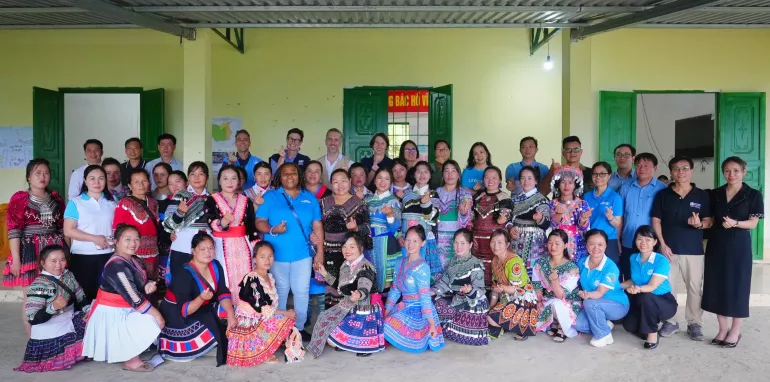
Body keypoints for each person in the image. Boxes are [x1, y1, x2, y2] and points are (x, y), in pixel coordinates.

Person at [256, 162, 324, 341]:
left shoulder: (309, 198)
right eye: (285, 173)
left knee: (302, 291)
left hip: (303, 254)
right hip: (276, 255)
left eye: (293, 173)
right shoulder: (270, 196)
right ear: (279, 177)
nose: (289, 176)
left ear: (299, 176)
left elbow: (317, 226)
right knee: (280, 291)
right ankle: (279, 329)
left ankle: (298, 329)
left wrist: (320, 253)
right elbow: (259, 222)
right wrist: (273, 229)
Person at [81, 224, 164, 372]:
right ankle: (131, 361)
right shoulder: (117, 266)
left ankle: (131, 356)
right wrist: (157, 315)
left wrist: (147, 285)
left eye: (136, 239)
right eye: (128, 239)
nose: (133, 243)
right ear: (117, 242)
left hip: (125, 307)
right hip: (113, 311)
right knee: (151, 318)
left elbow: (138, 284)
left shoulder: (134, 260)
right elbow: (134, 297)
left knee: (149, 317)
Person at [702, 156, 764, 348]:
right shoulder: (715, 194)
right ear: (723, 172)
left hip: (739, 246)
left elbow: (753, 223)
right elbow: (710, 220)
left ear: (744, 172)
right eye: (727, 171)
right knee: (717, 286)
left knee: (738, 286)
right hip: (716, 244)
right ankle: (722, 329)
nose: (731, 174)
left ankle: (735, 331)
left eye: (736, 170)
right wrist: (699, 223)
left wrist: (736, 223)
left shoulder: (753, 194)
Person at [652, 156, 712, 340]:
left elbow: (709, 221)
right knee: (667, 287)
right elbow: (656, 220)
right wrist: (662, 244)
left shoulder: (701, 195)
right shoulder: (663, 195)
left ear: (691, 171)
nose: (681, 172)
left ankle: (694, 323)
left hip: (693, 251)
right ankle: (670, 321)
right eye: (676, 169)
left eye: (685, 168)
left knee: (694, 288)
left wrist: (699, 224)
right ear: (671, 172)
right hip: (668, 250)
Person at [158, 232, 236, 365]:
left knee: (232, 311)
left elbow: (222, 291)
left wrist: (231, 314)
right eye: (202, 249)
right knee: (215, 325)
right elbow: (184, 310)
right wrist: (201, 298)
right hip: (178, 313)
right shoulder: (185, 273)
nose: (207, 252)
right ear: (193, 251)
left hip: (202, 306)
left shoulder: (216, 265)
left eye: (210, 248)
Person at [308, 232, 385, 357]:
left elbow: (364, 286)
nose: (347, 250)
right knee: (325, 323)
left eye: (352, 247)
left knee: (336, 339)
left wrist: (359, 294)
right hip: (348, 308)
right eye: (344, 246)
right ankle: (345, 342)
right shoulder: (345, 265)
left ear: (361, 248)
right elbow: (341, 285)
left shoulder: (366, 267)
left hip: (363, 311)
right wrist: (324, 273)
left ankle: (362, 345)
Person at [14, 245, 88, 373]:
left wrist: (88, 311)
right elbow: (32, 318)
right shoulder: (38, 285)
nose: (58, 264)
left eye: (62, 260)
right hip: (49, 328)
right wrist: (53, 307)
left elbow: (80, 296)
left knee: (94, 319)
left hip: (68, 319)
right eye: (53, 261)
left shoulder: (68, 275)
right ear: (43, 263)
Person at [227, 242, 296, 366]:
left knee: (287, 318)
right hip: (249, 324)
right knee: (285, 318)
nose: (267, 260)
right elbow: (262, 308)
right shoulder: (252, 279)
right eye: (262, 256)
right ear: (255, 259)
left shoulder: (269, 277)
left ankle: (269, 346)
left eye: (270, 256)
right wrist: (286, 313)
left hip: (260, 319)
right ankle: (262, 350)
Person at [3, 159, 66, 292]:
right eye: (37, 173)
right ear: (28, 177)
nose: (42, 177)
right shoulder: (20, 199)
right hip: (30, 251)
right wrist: (16, 259)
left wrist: (67, 252)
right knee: (31, 295)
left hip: (54, 250)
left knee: (56, 292)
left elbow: (62, 228)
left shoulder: (57, 199)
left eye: (46, 173)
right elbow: (14, 231)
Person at [384, 226, 445, 353]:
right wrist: (386, 312)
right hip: (404, 306)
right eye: (408, 240)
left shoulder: (423, 267)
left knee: (387, 326)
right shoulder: (400, 262)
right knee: (381, 322)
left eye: (415, 241)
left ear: (423, 243)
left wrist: (432, 324)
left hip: (418, 311)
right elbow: (395, 290)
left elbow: (425, 297)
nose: (410, 244)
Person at [318, 169, 373, 308]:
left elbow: (367, 229)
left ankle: (351, 319)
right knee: (332, 285)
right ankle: (333, 318)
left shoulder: (359, 204)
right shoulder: (324, 203)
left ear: (349, 181)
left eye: (343, 181)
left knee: (351, 285)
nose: (340, 185)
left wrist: (356, 228)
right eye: (335, 182)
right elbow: (318, 226)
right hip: (329, 254)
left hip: (351, 254)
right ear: (330, 184)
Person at [63, 165, 116, 302]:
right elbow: (68, 230)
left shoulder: (112, 202)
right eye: (92, 178)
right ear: (85, 181)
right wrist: (94, 238)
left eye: (101, 178)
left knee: (106, 296)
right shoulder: (75, 203)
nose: (97, 182)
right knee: (84, 297)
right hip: (83, 256)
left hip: (108, 255)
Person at [205, 165, 257, 303]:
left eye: (234, 178)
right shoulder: (211, 199)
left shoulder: (246, 201)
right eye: (225, 178)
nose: (229, 182)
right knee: (223, 279)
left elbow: (251, 226)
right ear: (219, 181)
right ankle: (224, 313)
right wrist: (222, 222)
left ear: (239, 181)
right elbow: (210, 222)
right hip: (220, 247)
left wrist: (256, 249)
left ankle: (244, 312)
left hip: (242, 246)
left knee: (245, 278)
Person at [621, 225, 677, 350]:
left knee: (645, 297)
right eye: (639, 239)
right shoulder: (633, 258)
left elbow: (652, 286)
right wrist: (617, 286)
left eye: (648, 239)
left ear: (655, 242)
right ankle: (651, 324)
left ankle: (652, 334)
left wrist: (637, 289)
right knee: (629, 326)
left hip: (664, 301)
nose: (643, 243)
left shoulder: (661, 260)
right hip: (643, 300)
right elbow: (634, 280)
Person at [431, 228, 488, 345]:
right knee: (433, 302)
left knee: (468, 314)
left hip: (471, 301)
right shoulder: (452, 262)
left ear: (470, 245)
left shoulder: (476, 264)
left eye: (463, 243)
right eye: (456, 243)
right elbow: (444, 283)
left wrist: (470, 291)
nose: (459, 247)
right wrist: (431, 291)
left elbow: (480, 290)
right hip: (455, 299)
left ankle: (450, 325)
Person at [574, 229, 629, 347]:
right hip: (594, 304)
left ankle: (603, 335)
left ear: (606, 246)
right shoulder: (582, 262)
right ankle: (605, 325)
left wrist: (587, 295)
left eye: (600, 244)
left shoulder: (611, 267)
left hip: (617, 305)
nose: (596, 248)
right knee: (577, 324)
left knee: (590, 303)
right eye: (591, 244)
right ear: (586, 245)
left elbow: (599, 293)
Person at [618, 153, 667, 280]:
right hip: (628, 241)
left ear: (655, 168)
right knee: (629, 278)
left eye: (646, 165)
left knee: (648, 279)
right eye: (639, 165)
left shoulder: (663, 190)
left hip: (651, 243)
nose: (642, 168)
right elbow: (620, 217)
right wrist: (618, 239)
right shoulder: (625, 188)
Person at [163, 162, 212, 285]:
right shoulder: (181, 195)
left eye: (201, 174)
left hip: (206, 245)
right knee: (181, 281)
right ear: (188, 178)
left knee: (203, 281)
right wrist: (179, 212)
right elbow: (168, 224)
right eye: (193, 174)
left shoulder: (212, 198)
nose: (196, 177)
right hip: (183, 245)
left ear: (207, 177)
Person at [487, 229, 538, 341]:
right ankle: (507, 324)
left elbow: (516, 290)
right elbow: (495, 290)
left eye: (500, 242)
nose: (495, 246)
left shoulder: (514, 262)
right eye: (493, 242)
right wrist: (490, 308)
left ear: (507, 244)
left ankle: (521, 326)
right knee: (487, 315)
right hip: (507, 297)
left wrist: (502, 288)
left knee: (491, 319)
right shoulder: (495, 261)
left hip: (523, 300)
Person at [533, 229, 582, 342]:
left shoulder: (572, 268)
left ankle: (562, 327)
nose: (553, 246)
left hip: (568, 303)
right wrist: (538, 301)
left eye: (557, 243)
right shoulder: (541, 263)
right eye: (550, 242)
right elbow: (537, 284)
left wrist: (555, 281)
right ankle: (555, 322)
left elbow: (562, 296)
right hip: (547, 299)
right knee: (530, 314)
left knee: (556, 303)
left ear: (565, 245)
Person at [113, 168, 160, 279]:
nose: (141, 185)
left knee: (152, 284)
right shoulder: (124, 203)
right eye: (136, 182)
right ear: (130, 185)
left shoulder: (154, 203)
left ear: (149, 183)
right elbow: (117, 231)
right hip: (133, 253)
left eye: (144, 181)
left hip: (154, 253)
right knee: (136, 283)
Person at [471, 166, 512, 288]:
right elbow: (471, 217)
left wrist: (503, 218)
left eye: (494, 178)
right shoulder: (478, 196)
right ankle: (479, 292)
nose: (490, 181)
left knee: (495, 264)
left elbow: (504, 218)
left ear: (500, 180)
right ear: (483, 179)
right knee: (478, 267)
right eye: (487, 177)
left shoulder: (504, 197)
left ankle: (495, 292)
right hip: (477, 240)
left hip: (495, 241)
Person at [507, 165, 550, 277]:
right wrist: (510, 228)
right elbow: (508, 219)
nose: (526, 181)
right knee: (516, 274)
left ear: (536, 181)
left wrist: (540, 218)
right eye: (523, 178)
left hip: (535, 244)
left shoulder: (541, 199)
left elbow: (546, 224)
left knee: (534, 275)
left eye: (530, 178)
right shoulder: (515, 200)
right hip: (516, 242)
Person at [400, 161, 441, 278]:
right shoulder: (406, 195)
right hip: (406, 239)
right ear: (414, 174)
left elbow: (433, 218)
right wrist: (399, 235)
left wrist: (425, 203)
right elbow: (400, 218)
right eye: (419, 171)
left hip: (423, 240)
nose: (422, 175)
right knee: (405, 270)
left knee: (420, 271)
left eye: (425, 172)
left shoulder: (433, 194)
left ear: (430, 175)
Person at [432, 160, 473, 269]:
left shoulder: (465, 194)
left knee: (455, 268)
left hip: (456, 237)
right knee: (438, 267)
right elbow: (430, 217)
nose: (449, 174)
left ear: (458, 175)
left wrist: (463, 213)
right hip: (438, 236)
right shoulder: (435, 193)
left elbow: (466, 221)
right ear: (442, 175)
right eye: (446, 171)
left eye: (453, 171)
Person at [366, 167, 402, 291]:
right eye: (379, 178)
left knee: (387, 281)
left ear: (391, 182)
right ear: (374, 180)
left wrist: (390, 215)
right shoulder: (367, 200)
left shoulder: (393, 201)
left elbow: (395, 227)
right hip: (369, 243)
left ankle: (386, 302)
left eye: (387, 179)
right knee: (370, 277)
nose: (382, 182)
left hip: (387, 243)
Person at [549, 166, 591, 264]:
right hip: (558, 243)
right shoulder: (552, 203)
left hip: (577, 244)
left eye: (570, 182)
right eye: (563, 182)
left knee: (576, 270)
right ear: (558, 184)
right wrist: (558, 215)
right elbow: (551, 225)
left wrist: (583, 219)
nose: (566, 185)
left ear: (575, 185)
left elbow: (584, 228)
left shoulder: (582, 203)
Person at [583, 162, 623, 264]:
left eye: (602, 174)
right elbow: (583, 222)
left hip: (609, 240)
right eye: (595, 174)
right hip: (590, 240)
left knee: (610, 271)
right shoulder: (586, 196)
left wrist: (610, 218)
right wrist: (583, 218)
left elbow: (617, 224)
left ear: (609, 175)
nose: (598, 177)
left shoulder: (615, 197)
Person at [158, 170, 187, 285]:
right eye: (170, 183)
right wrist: (168, 235)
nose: (174, 186)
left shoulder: (194, 201)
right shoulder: (163, 204)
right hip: (173, 249)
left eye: (177, 181)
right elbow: (161, 228)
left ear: (186, 183)